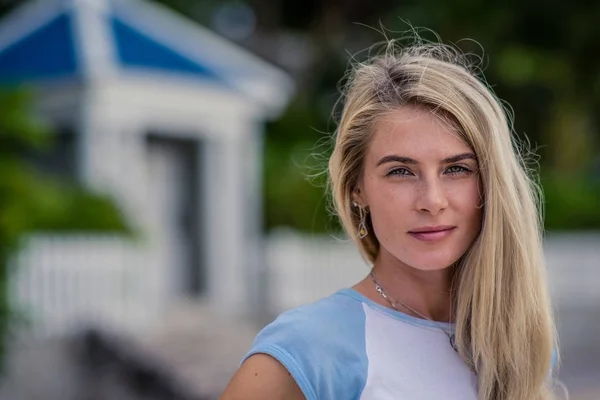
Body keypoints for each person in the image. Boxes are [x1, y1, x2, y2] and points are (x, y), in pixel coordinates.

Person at [219, 40, 559, 400]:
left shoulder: (517, 346)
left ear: (491, 183)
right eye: (400, 171)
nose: (432, 201)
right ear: (356, 188)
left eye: (456, 168)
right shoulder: (306, 351)